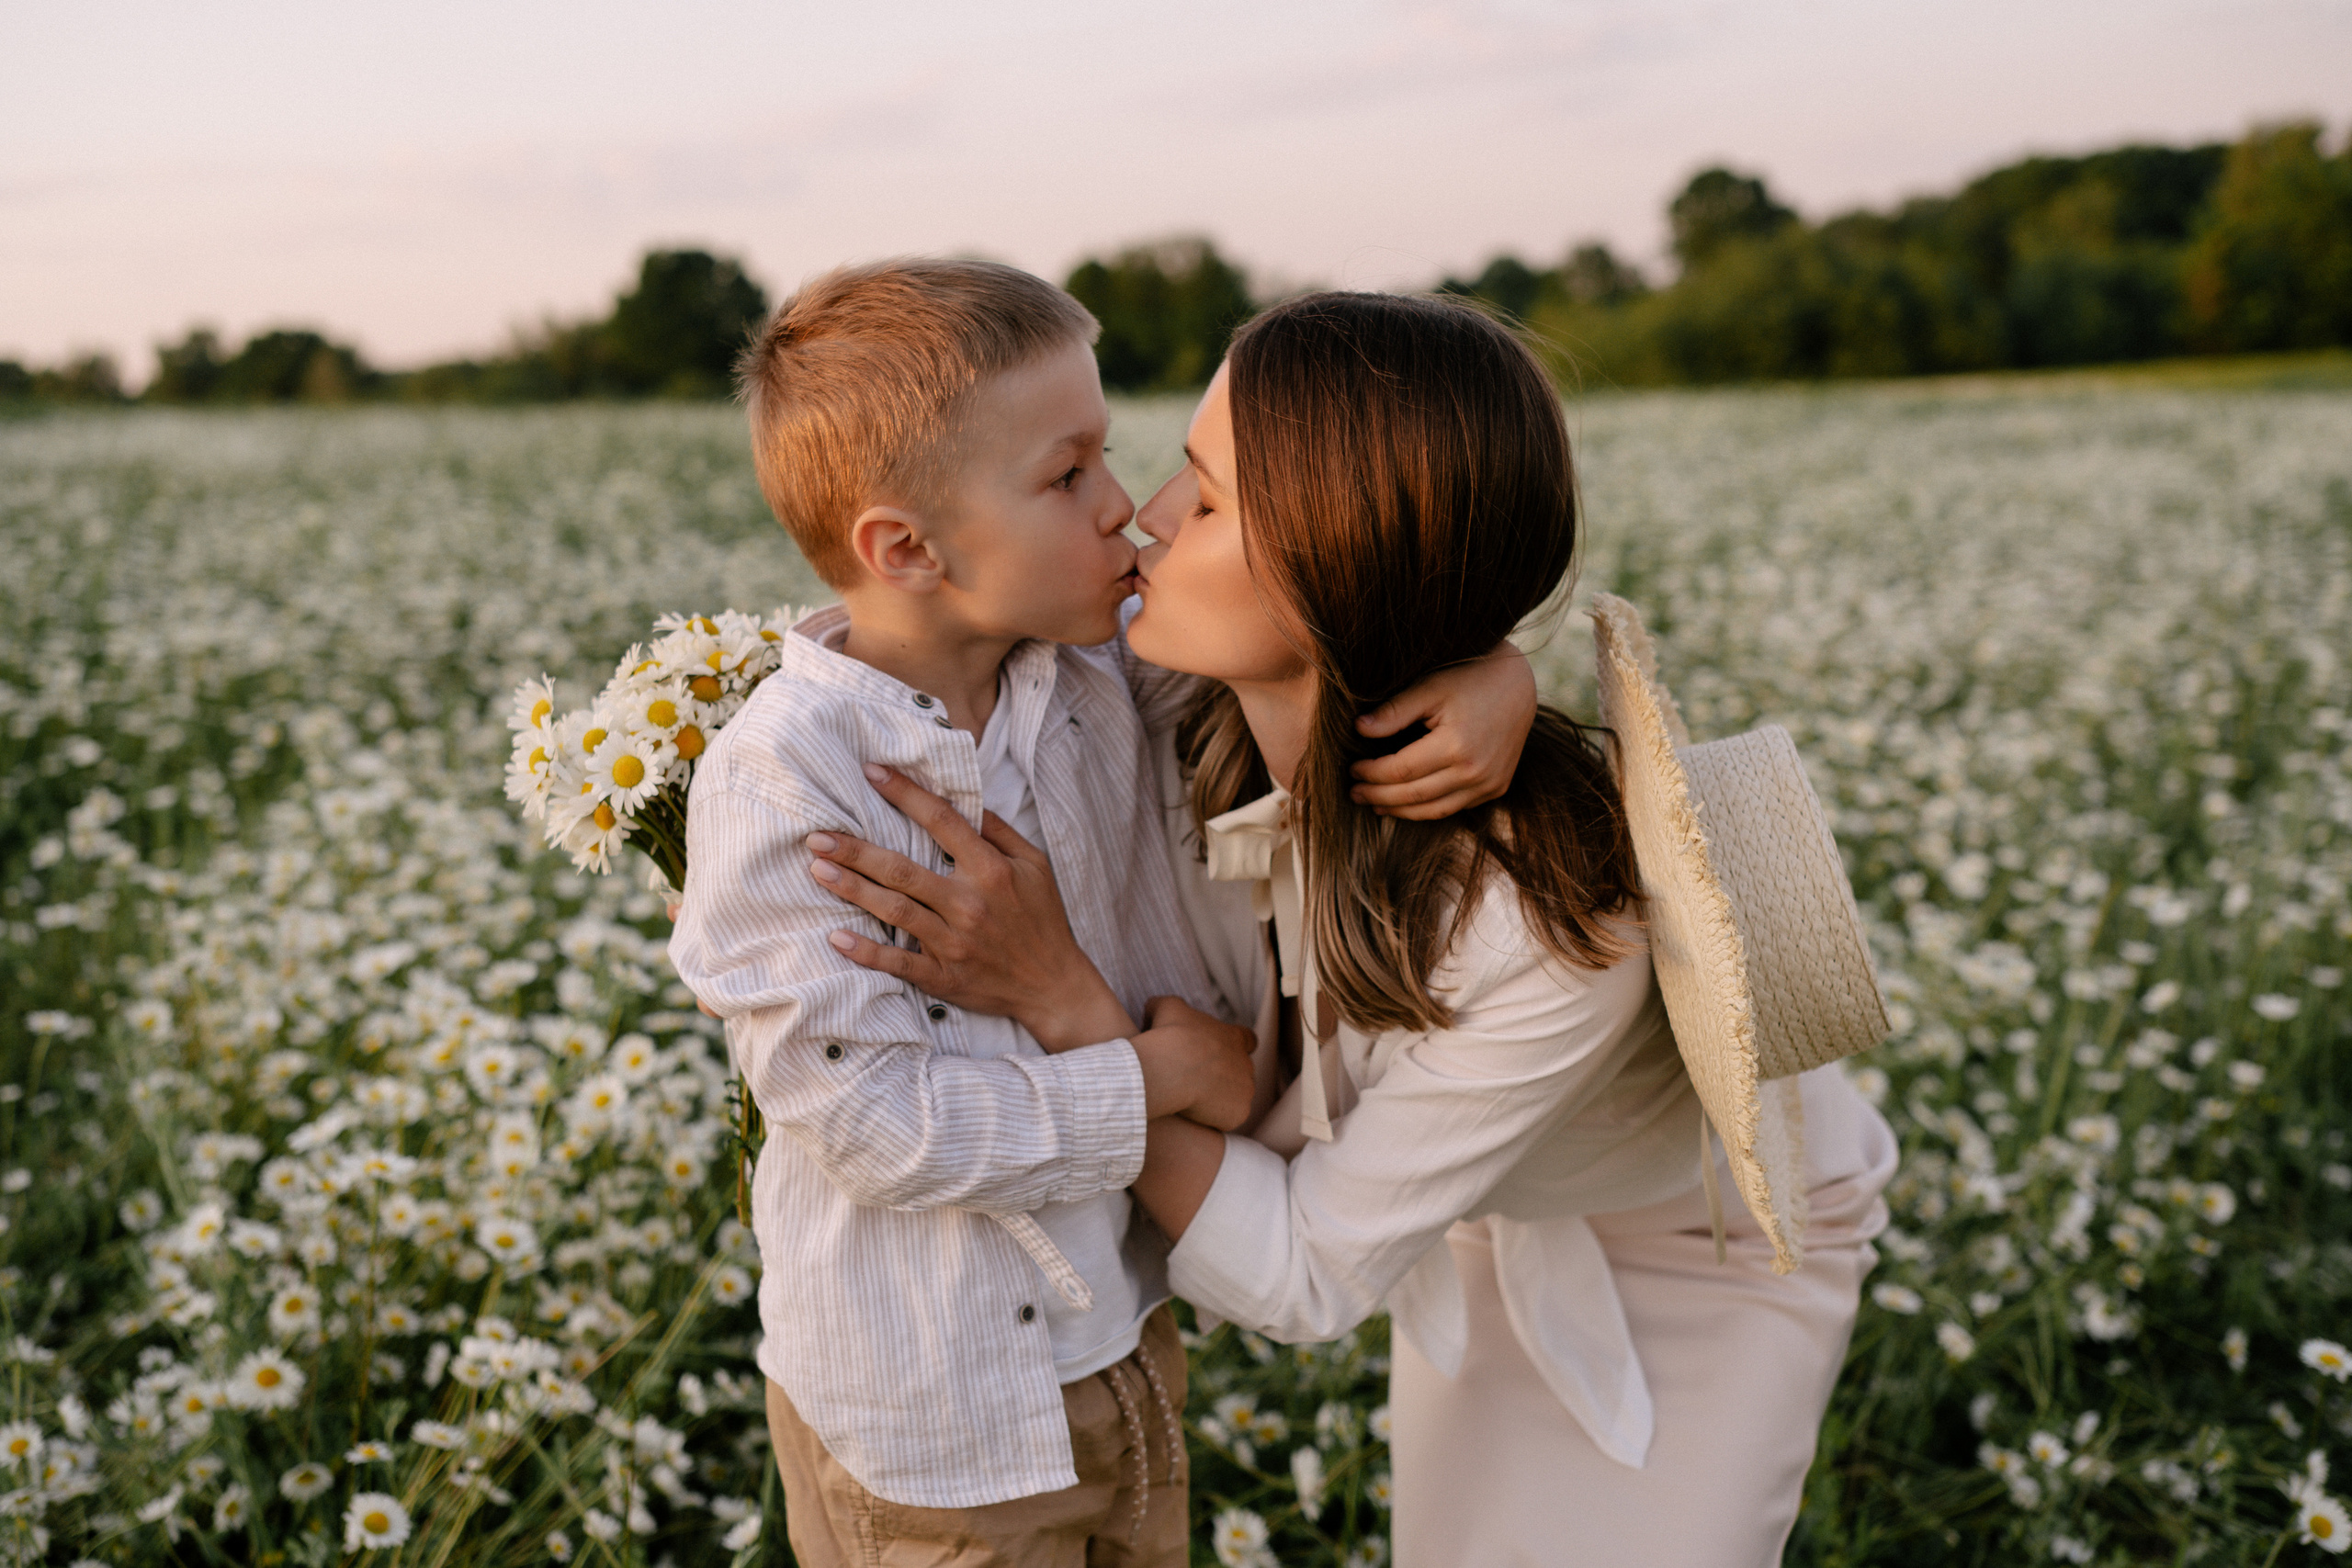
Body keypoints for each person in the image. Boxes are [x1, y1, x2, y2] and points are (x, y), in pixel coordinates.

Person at [806, 290, 1900, 1565]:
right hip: (1484, 1184)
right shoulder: (1156, 686)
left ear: (1338, 572)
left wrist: (1072, 1016)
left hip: (1713, 1235)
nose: (1143, 515)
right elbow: (897, 634)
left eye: (1205, 503)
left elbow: (1306, 1275)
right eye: (1181, 469)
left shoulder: (1555, 926)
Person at [666, 259, 1538, 1567]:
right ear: (908, 549)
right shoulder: (784, 779)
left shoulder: (1087, 674)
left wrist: (1491, 673)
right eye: (1066, 476)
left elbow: (1298, 656)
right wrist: (1143, 1082)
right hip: (934, 1426)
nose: (1123, 505)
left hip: (1123, 1353)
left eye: (1106, 456)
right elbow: (867, 1121)